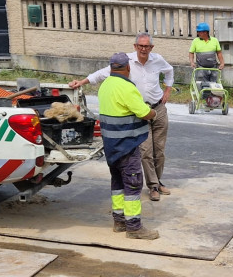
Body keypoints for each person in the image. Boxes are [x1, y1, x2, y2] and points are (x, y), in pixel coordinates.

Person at [70, 33, 174, 202]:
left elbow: (170, 71)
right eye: (140, 46)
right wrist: (81, 82)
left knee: (159, 151)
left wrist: (168, 90)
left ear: (151, 48)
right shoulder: (127, 62)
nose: (143, 49)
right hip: (140, 111)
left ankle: (158, 180)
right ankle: (153, 186)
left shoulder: (158, 60)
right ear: (135, 46)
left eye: (146, 46)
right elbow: (103, 73)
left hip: (159, 108)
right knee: (146, 151)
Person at [94, 53, 159, 240]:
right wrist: (153, 112)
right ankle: (134, 227)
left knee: (118, 182)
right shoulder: (126, 87)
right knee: (133, 183)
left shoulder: (105, 84)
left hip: (111, 146)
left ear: (111, 68)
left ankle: (119, 221)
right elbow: (144, 112)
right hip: (127, 145)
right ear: (128, 68)